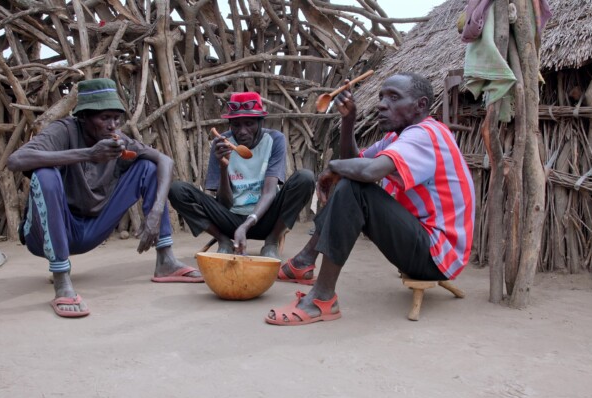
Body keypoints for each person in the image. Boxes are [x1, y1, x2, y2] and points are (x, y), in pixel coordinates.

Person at [266, 72, 475, 325]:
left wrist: (332, 166)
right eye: (381, 97)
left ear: (421, 105)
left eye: (394, 98)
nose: (381, 104)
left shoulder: (425, 134)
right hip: (422, 245)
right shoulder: (396, 138)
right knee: (349, 180)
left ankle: (321, 297)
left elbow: (367, 172)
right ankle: (305, 261)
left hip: (436, 255)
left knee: (353, 186)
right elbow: (355, 162)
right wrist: (348, 121)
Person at [7, 78, 203, 319]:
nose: (112, 125)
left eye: (116, 118)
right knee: (46, 175)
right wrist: (87, 154)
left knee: (149, 167)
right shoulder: (63, 130)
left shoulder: (117, 141)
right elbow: (15, 161)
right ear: (83, 117)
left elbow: (166, 160)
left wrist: (155, 213)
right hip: (46, 235)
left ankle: (166, 261)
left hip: (91, 231)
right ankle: (61, 280)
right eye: (104, 118)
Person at [168, 92, 315, 258]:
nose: (242, 131)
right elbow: (224, 203)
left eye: (249, 123)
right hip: (231, 218)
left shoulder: (275, 139)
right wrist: (223, 168)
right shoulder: (222, 143)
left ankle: (272, 240)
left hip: (265, 218)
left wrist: (247, 224)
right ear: (230, 124)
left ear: (261, 122)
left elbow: (269, 192)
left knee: (305, 178)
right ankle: (223, 240)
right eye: (236, 125)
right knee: (177, 189)